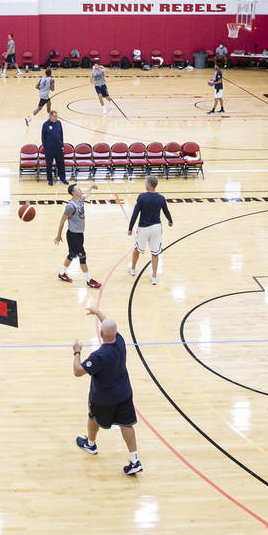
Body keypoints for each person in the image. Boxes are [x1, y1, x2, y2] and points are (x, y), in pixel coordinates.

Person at [73, 304, 141, 475]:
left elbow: (77, 372)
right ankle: (134, 460)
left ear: (101, 335)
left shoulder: (99, 356)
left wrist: (77, 352)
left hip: (103, 398)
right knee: (127, 424)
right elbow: (110, 327)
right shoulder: (120, 341)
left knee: (93, 417)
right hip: (124, 393)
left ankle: (91, 444)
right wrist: (98, 313)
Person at [127, 176, 173, 286]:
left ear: (148, 185)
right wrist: (170, 221)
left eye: (145, 183)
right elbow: (166, 211)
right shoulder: (161, 198)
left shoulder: (142, 197)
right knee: (155, 253)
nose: (144, 184)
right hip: (156, 228)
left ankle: (133, 269)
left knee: (137, 249)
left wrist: (130, 228)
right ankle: (154, 277)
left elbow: (135, 213)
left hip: (143, 228)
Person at [55, 182, 101, 289]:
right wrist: (58, 235)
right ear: (73, 193)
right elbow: (62, 221)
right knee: (82, 256)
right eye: (79, 190)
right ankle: (89, 280)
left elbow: (86, 194)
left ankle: (61, 273)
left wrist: (91, 187)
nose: (81, 191)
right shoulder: (70, 206)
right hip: (73, 236)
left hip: (80, 234)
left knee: (72, 254)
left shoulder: (80, 200)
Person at [42, 110, 67, 186]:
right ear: (50, 116)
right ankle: (50, 180)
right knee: (49, 165)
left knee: (61, 164)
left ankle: (63, 178)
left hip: (59, 148)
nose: (56, 117)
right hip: (49, 149)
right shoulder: (45, 124)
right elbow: (43, 137)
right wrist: (46, 147)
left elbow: (61, 134)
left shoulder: (59, 123)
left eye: (57, 116)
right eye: (55, 116)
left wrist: (62, 145)